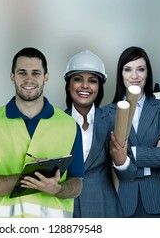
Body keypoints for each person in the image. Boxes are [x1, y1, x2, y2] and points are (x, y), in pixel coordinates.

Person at [0, 47, 84, 218]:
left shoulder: (69, 126)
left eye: (36, 73)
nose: (29, 79)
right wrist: (30, 178)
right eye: (22, 73)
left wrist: (58, 189)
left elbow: (77, 183)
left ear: (45, 77)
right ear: (12, 77)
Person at [107, 46, 160, 218]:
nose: (134, 76)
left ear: (148, 73)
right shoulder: (106, 114)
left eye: (140, 69)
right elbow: (110, 161)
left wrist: (129, 154)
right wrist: (156, 152)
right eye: (128, 69)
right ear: (121, 74)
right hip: (123, 203)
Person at [63, 49, 122, 218]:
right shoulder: (55, 121)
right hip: (67, 207)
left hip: (104, 207)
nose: (85, 86)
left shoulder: (112, 119)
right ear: (69, 85)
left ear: (99, 86)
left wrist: (121, 160)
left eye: (92, 81)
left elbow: (128, 172)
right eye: (78, 79)